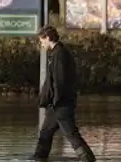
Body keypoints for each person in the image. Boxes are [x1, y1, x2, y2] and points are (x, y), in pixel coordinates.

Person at [33, 25, 96, 162]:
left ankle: (88, 159)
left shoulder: (59, 54)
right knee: (46, 133)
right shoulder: (56, 53)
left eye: (41, 40)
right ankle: (38, 158)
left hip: (61, 104)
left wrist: (55, 101)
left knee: (71, 134)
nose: (41, 44)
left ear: (47, 38)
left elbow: (59, 80)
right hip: (56, 105)